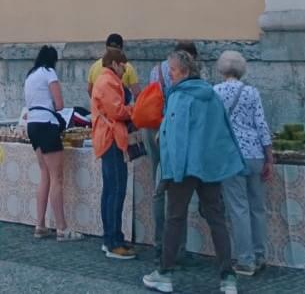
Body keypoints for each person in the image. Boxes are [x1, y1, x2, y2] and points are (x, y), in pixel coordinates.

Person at [143, 50, 243, 294]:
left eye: (173, 70)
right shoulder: (212, 95)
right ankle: (228, 277)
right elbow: (222, 132)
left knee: (175, 218)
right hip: (208, 167)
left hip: (183, 168)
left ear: (184, 72)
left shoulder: (180, 97)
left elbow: (175, 140)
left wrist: (169, 174)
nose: (170, 75)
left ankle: (164, 273)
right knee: (216, 218)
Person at [214, 50, 274, 277]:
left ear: (221, 69)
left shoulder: (215, 92)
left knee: (238, 208)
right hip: (255, 154)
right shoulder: (251, 92)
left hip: (231, 155)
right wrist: (269, 155)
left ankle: (245, 260)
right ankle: (260, 255)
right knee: (257, 207)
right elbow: (261, 124)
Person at [144, 40, 200, 271]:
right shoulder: (192, 76)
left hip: (152, 129)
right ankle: (178, 248)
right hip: (173, 131)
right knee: (178, 189)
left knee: (159, 189)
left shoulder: (156, 70)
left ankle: (159, 245)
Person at [23, 45, 82, 242]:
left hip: (32, 124)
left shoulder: (31, 76)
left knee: (44, 175)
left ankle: (39, 224)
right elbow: (59, 104)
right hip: (47, 124)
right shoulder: (49, 73)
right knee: (57, 177)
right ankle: (62, 228)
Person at [91, 47, 135, 260]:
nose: (124, 70)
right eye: (122, 66)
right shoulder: (108, 81)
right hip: (111, 138)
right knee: (117, 189)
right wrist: (134, 110)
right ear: (114, 64)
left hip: (106, 138)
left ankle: (110, 237)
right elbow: (116, 111)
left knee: (110, 190)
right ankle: (113, 242)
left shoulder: (104, 79)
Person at [87, 33, 139, 97]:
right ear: (121, 49)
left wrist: (98, 102)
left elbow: (90, 90)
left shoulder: (94, 66)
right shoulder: (127, 66)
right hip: (119, 105)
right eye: (123, 70)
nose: (123, 71)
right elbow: (137, 93)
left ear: (106, 47)